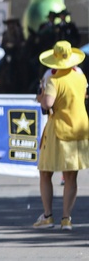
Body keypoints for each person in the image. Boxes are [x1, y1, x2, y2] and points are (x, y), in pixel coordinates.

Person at [33, 40, 89, 231]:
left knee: (45, 172)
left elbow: (48, 104)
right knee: (71, 176)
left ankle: (48, 216)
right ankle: (67, 219)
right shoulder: (80, 77)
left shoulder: (53, 79)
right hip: (80, 129)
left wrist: (41, 98)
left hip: (59, 130)